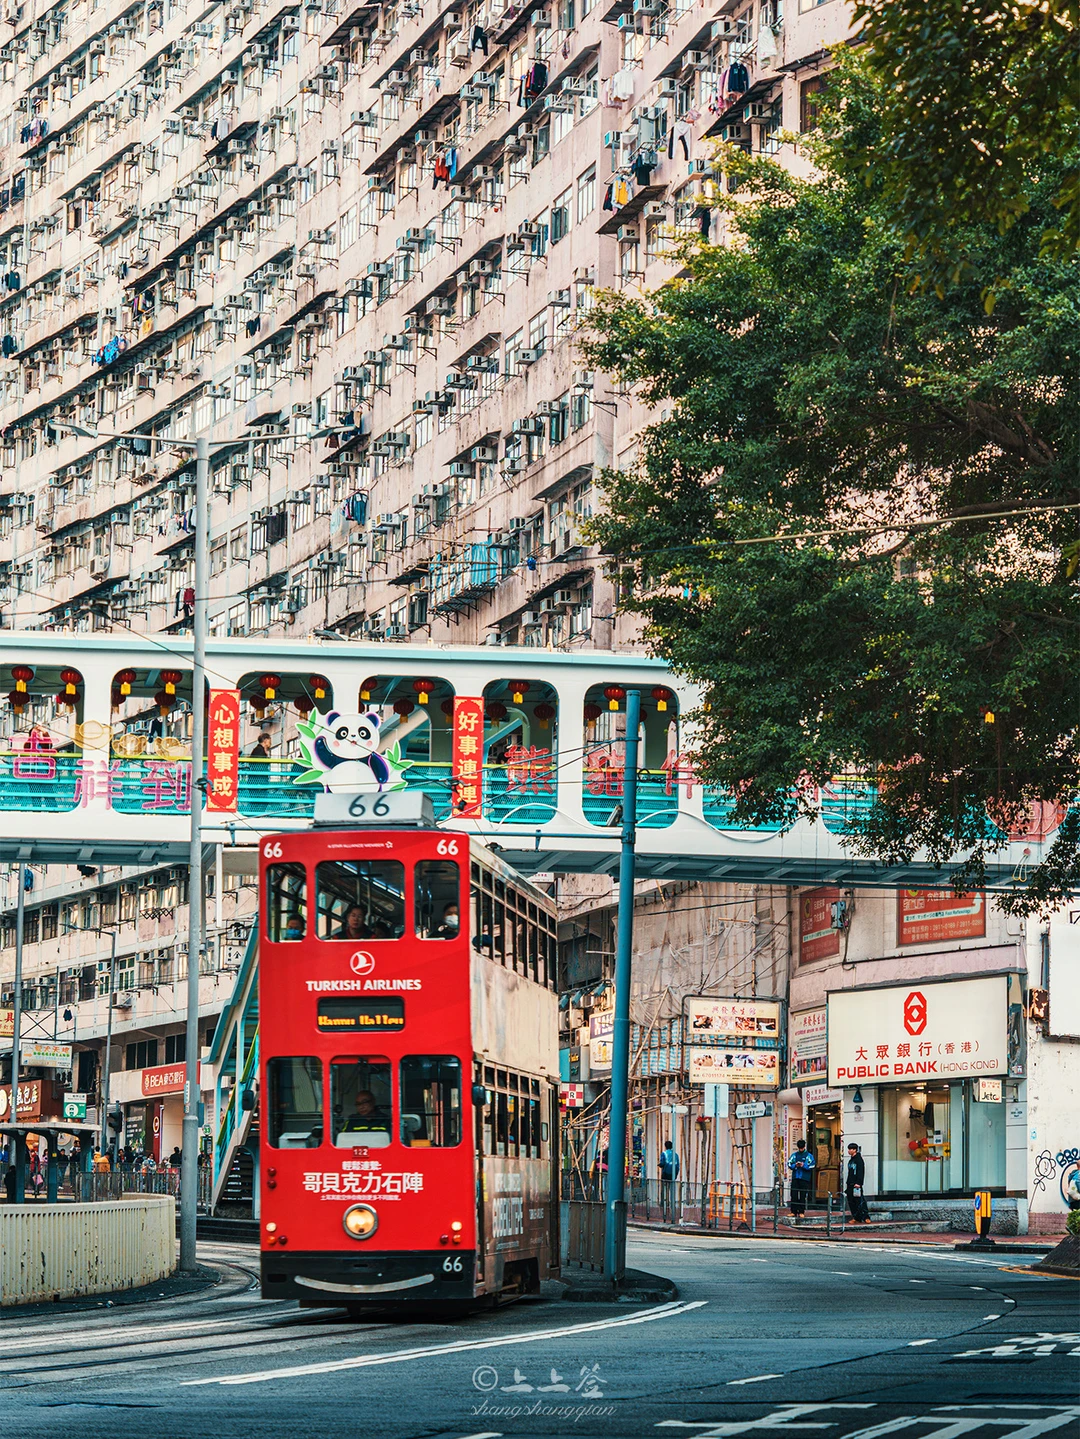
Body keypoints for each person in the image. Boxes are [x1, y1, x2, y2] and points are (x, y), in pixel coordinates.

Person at [787, 1138, 816, 1223]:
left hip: (804, 1178)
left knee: (803, 1195)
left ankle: (801, 1211)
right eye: (800, 1148)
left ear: (804, 1147)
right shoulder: (794, 1155)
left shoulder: (809, 1156)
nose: (801, 1149)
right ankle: (793, 1211)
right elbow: (789, 1163)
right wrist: (795, 1165)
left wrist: (804, 1165)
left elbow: (812, 1165)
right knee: (794, 1194)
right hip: (796, 1177)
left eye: (802, 1148)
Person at [845, 1142, 870, 1224]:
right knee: (851, 1202)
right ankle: (856, 1217)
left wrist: (859, 1182)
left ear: (855, 1150)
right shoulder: (851, 1160)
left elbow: (861, 1172)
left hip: (856, 1184)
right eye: (848, 1149)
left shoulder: (859, 1160)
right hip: (850, 1184)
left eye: (850, 1149)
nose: (849, 1151)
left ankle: (866, 1216)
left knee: (860, 1201)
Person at [659, 1139, 680, 1222]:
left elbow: (663, 1163)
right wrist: (676, 1174)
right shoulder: (676, 1155)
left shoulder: (664, 1153)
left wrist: (660, 1165)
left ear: (665, 1146)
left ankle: (664, 1203)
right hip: (673, 1174)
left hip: (665, 1173)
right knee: (672, 1189)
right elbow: (677, 1165)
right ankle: (672, 1204)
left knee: (664, 1189)